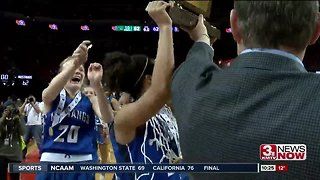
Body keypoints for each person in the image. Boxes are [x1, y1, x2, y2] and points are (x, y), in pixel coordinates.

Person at [171, 1, 320, 179]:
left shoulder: (192, 88)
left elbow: (194, 63)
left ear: (234, 24)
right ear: (316, 30)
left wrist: (203, 40)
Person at [102, 1, 187, 179]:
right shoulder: (124, 118)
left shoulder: (165, 108)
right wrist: (165, 26)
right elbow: (160, 89)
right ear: (149, 79)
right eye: (158, 69)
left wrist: (203, 40)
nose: (166, 72)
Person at [36, 41, 113, 180]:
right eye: (73, 68)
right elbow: (45, 95)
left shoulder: (90, 98)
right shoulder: (53, 96)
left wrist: (97, 85)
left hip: (83, 162)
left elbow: (108, 118)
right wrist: (76, 61)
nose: (77, 70)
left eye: (81, 69)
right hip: (51, 161)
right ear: (62, 74)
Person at [0, 105, 24, 180]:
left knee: (15, 178)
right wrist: (3, 118)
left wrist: (19, 120)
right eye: (7, 111)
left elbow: (23, 132)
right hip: (2, 154)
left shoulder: (18, 120)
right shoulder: (2, 121)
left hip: (15, 155)